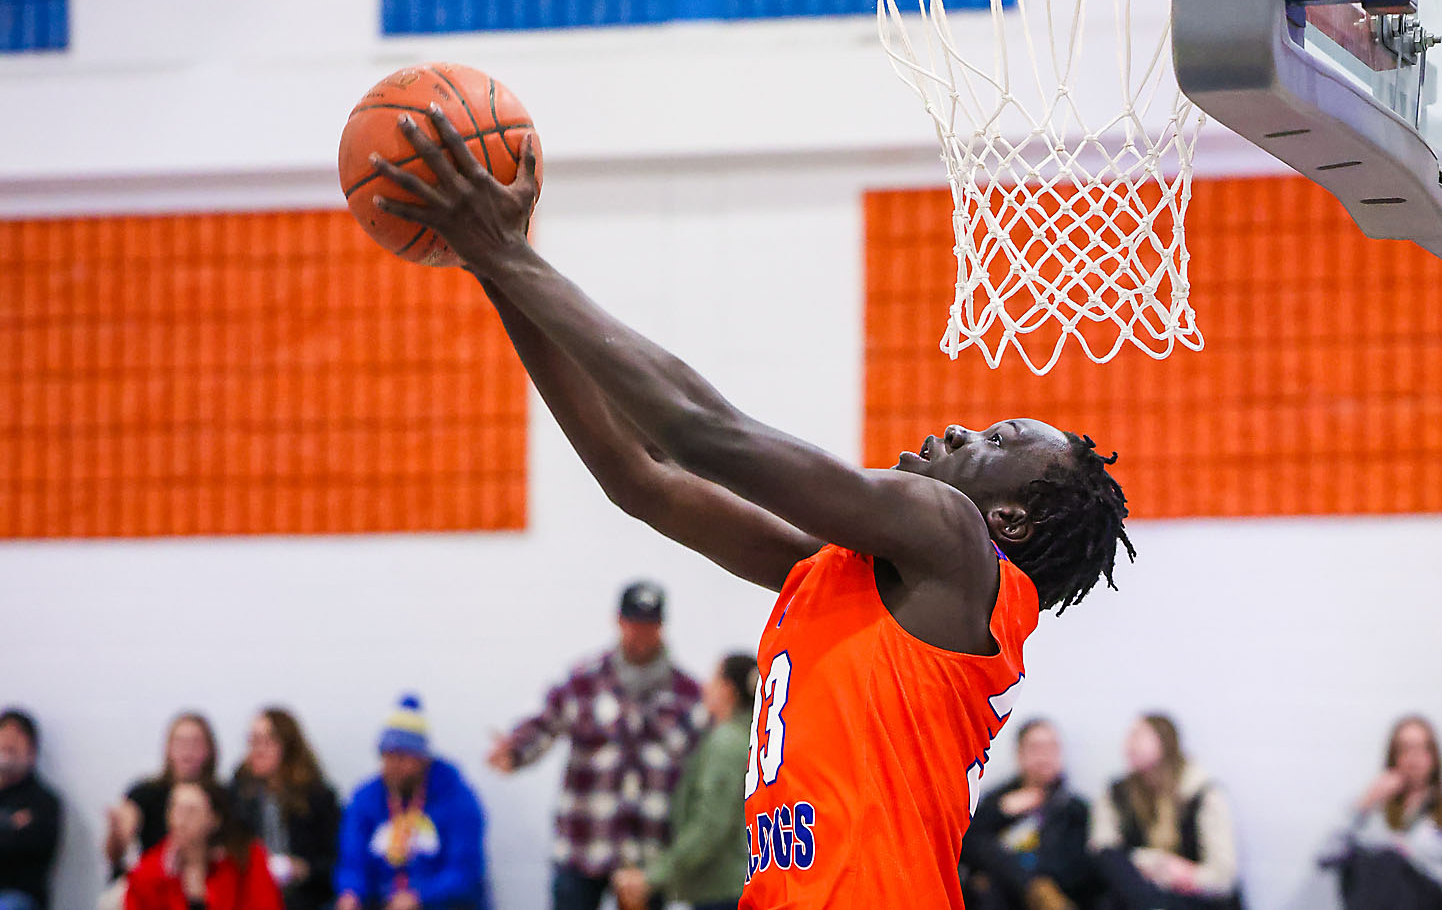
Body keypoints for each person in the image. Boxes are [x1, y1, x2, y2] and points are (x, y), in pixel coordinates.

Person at [370, 102, 1133, 909]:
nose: (957, 426)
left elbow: (705, 434)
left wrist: (509, 254)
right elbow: (642, 477)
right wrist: (497, 266)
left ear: (1007, 520)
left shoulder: (954, 535)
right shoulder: (856, 581)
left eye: (992, 438)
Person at [487, 582, 701, 910]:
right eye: (634, 623)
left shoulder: (687, 694)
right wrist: (513, 752)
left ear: (661, 626)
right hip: (584, 843)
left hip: (649, 853)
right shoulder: (584, 681)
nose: (640, 634)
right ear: (618, 621)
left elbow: (703, 768)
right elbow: (545, 724)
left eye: (649, 625)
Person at [611, 654, 759, 910]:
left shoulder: (726, 743)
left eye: (713, 678)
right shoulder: (750, 739)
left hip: (721, 892)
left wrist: (653, 876)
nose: (705, 687)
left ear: (727, 691)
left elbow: (710, 827)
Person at [334, 695, 487, 910]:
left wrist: (420, 897)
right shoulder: (366, 798)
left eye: (402, 757)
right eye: (387, 756)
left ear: (422, 758)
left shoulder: (457, 799)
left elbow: (464, 871)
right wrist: (351, 893)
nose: (393, 766)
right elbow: (352, 860)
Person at [1089, 714, 1243, 910]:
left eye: (1138, 735)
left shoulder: (1203, 793)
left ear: (1165, 741)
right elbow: (1102, 847)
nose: (1129, 744)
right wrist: (1152, 862)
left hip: (1194, 896)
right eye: (1129, 736)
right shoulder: (1118, 792)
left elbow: (1223, 877)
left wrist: (1188, 876)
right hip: (1141, 890)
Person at [1319, 715, 1442, 909]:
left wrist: (1410, 856)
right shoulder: (1372, 809)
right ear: (1394, 756)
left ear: (1434, 757)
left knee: (1393, 860)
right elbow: (1325, 856)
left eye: (1422, 749)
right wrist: (1365, 804)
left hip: (1425, 900)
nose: (1414, 758)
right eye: (1405, 749)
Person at [962, 718, 1097, 910]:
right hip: (1004, 894)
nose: (1045, 756)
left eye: (1052, 748)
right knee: (985, 882)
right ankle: (1035, 890)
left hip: (1059, 893)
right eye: (1036, 748)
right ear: (1020, 754)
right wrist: (1002, 811)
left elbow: (1078, 866)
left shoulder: (1074, 808)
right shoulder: (998, 801)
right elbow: (966, 845)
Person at [101, 713, 221, 910]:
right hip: (154, 881)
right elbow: (119, 846)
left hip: (207, 878)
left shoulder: (222, 795)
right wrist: (117, 833)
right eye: (180, 742)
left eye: (195, 743)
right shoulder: (145, 792)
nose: (187, 750)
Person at [230, 708, 342, 910]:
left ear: (288, 746)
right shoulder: (238, 793)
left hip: (306, 898)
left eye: (267, 741)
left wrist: (305, 869)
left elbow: (336, 861)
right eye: (253, 741)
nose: (258, 750)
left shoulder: (318, 797)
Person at [124, 779, 283, 910]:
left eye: (190, 811)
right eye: (174, 809)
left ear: (214, 820)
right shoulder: (147, 871)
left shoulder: (246, 857)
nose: (179, 820)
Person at [0, 709, 62, 910]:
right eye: (4, 734)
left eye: (17, 737)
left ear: (32, 751)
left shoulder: (43, 801)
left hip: (17, 896)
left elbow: (28, 850)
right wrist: (9, 826)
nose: (9, 741)